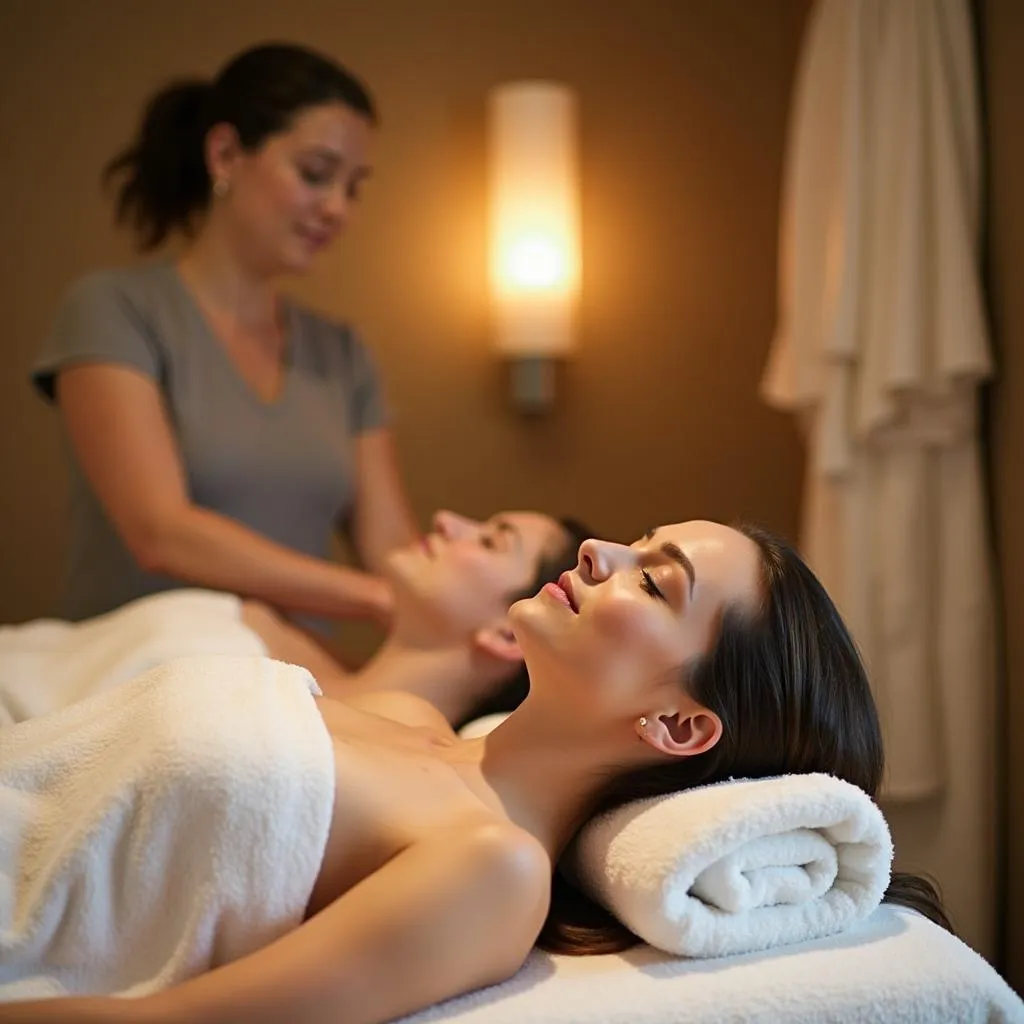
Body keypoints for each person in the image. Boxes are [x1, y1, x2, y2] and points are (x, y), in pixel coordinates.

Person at [0, 520, 950, 1023]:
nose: (599, 551)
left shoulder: (492, 870)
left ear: (679, 724)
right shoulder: (409, 717)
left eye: (653, 581)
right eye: (636, 541)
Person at [30, 42, 418, 640]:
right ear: (226, 153)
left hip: (295, 690)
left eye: (355, 186)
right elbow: (161, 532)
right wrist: (375, 597)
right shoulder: (114, 309)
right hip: (139, 680)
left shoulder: (343, 354)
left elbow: (391, 546)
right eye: (316, 174)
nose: (338, 208)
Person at [0, 510, 591, 730]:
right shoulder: (285, 637)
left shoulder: (351, 742)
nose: (446, 519)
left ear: (506, 635)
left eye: (491, 540)